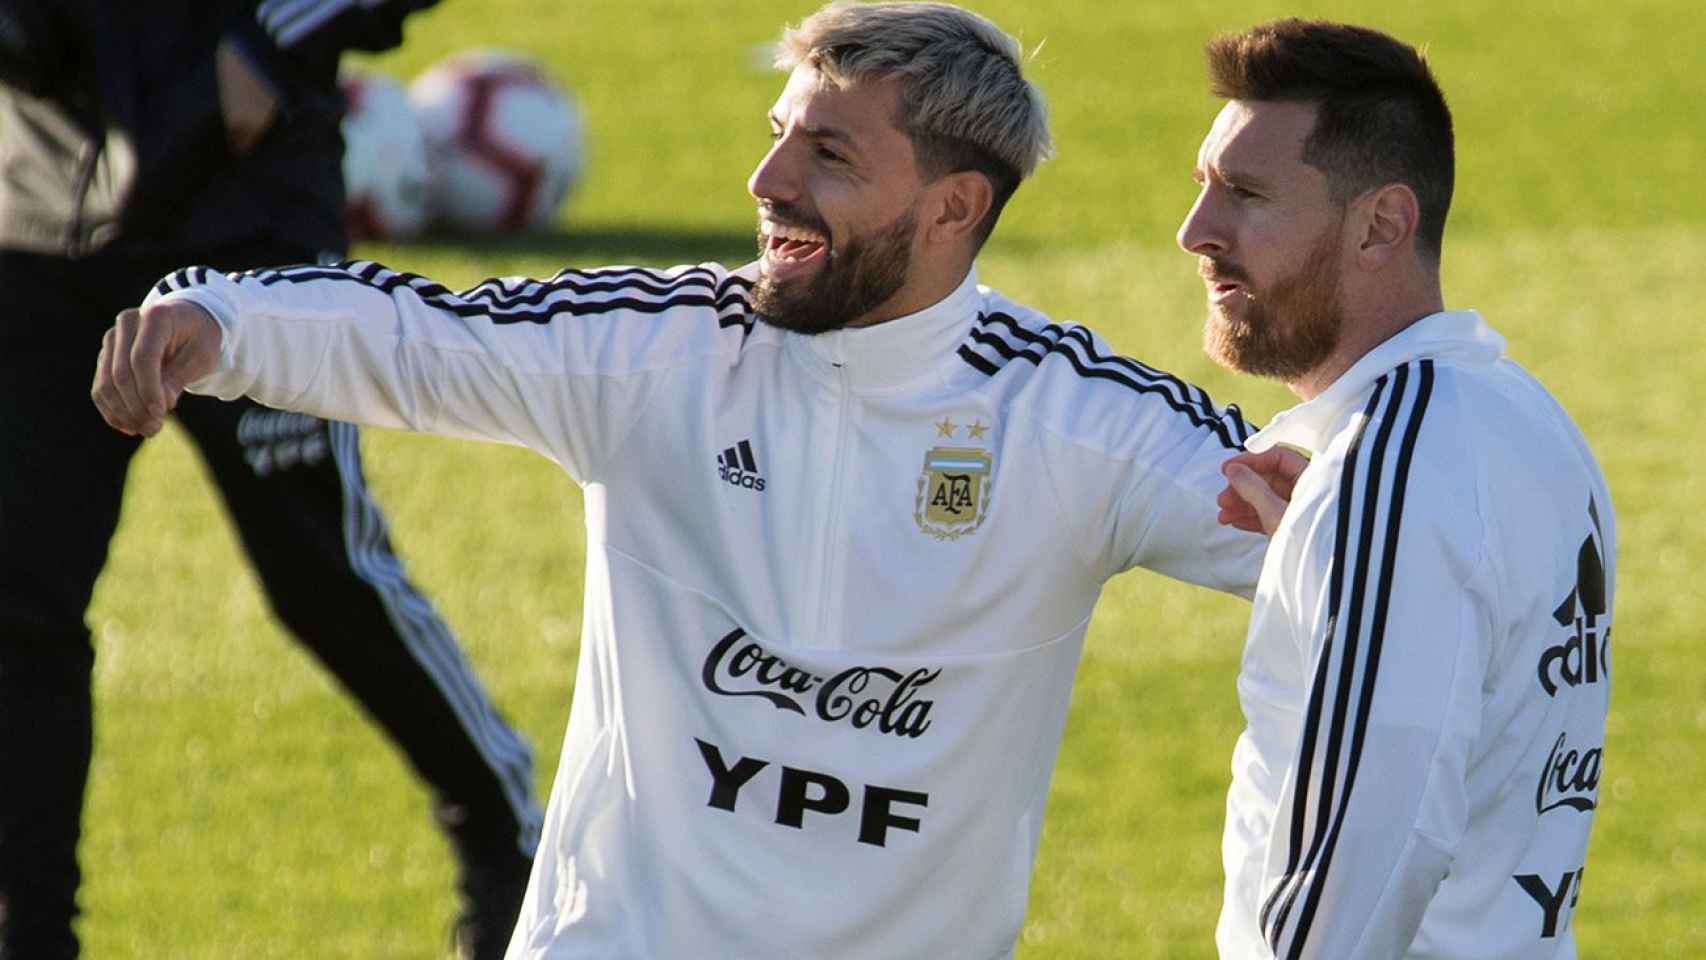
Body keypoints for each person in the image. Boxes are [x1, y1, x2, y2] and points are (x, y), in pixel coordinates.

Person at [92, 2, 1270, 955]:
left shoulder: (1073, 419)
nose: (766, 179)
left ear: (952, 207)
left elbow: (1323, 532)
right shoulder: (663, 347)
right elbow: (425, 336)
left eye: (825, 153)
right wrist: (221, 319)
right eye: (775, 132)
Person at [0, 3, 542, 958]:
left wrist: (263, 42)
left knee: (320, 573)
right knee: (18, 606)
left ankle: (503, 831)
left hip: (239, 214)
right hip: (32, 213)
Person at [1178, 19, 1615, 959]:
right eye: (1204, 186)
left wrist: (1364, 517)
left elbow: (1371, 841)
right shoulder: (1519, 416)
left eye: (1246, 195)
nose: (1196, 235)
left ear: (1381, 223)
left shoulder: (1398, 459)